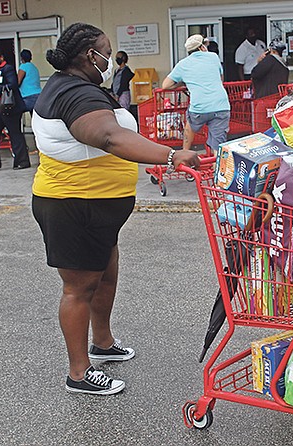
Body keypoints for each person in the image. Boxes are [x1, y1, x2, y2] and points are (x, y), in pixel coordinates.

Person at [32, 23, 199, 395]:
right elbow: (110, 136)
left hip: (98, 208)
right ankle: (78, 373)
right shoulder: (73, 94)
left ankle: (102, 343)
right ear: (91, 56)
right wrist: (171, 155)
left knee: (104, 275)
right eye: (107, 50)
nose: (112, 57)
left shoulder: (81, 86)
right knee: (79, 288)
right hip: (72, 206)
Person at [162, 34, 230, 152]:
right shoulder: (214, 57)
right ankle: (217, 166)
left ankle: (185, 153)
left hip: (199, 107)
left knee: (190, 123)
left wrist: (183, 83)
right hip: (221, 105)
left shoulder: (183, 64)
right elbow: (221, 79)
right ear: (202, 47)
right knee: (218, 144)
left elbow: (165, 85)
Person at [18, 49, 42, 114]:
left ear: (21, 58)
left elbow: (18, 82)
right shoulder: (34, 67)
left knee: (16, 112)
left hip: (28, 96)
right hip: (38, 95)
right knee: (35, 117)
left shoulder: (23, 66)